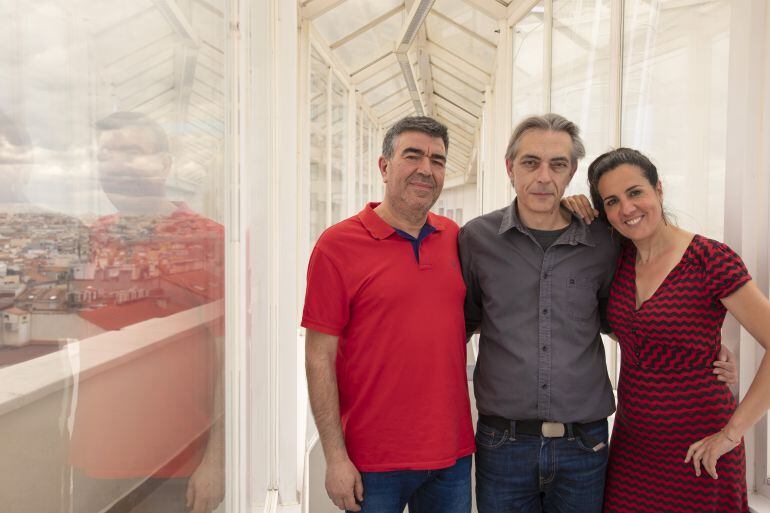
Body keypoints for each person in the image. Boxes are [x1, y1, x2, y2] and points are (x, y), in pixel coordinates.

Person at [459, 114, 737, 513]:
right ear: (509, 167)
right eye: (530, 162)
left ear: (571, 171)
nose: (543, 176)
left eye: (558, 164)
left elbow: (638, 313)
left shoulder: (605, 240)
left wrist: (713, 351)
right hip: (503, 445)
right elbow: (460, 325)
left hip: (584, 446)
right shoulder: (476, 239)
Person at [583, 147, 770, 513]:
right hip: (633, 448)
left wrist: (732, 433)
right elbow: (626, 327)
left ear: (659, 190)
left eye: (636, 192)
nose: (627, 209)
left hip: (700, 447)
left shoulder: (710, 259)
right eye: (612, 201)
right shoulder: (616, 260)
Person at [303, 116, 474, 513]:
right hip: (371, 462)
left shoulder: (455, 238)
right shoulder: (337, 246)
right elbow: (318, 356)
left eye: (437, 160)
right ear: (384, 166)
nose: (426, 170)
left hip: (450, 456)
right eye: (412, 156)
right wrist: (335, 457)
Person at [70, 111, 224, 513]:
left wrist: (217, 459)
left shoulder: (209, 239)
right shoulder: (90, 239)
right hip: (94, 459)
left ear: (165, 163)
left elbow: (236, 361)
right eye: (106, 155)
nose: (116, 164)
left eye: (130, 152)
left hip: (175, 467)